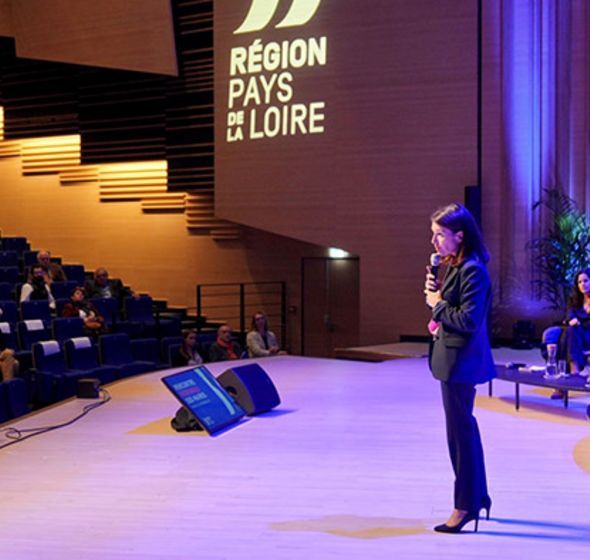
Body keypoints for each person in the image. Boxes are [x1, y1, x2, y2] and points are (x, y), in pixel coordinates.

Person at [424, 202, 495, 534]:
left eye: (440, 234)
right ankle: (479, 496)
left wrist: (437, 305)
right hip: (453, 359)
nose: (434, 242)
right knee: (465, 430)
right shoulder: (456, 265)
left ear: (460, 235)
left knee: (460, 436)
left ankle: (464, 506)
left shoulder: (473, 269)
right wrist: (438, 301)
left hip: (461, 363)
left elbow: (468, 320)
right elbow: (453, 310)